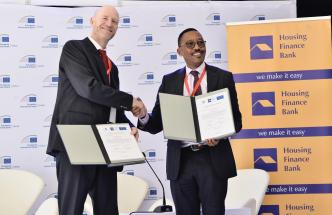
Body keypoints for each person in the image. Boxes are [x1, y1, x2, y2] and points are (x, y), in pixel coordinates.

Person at [133, 28, 242, 215]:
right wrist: (143, 115)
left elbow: (236, 121)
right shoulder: (170, 81)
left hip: (212, 158)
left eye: (201, 43)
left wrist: (221, 136)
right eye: (190, 44)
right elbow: (157, 123)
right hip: (181, 161)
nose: (197, 48)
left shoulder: (223, 77)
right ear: (179, 51)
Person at [47, 6, 144, 215]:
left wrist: (128, 127)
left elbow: (112, 109)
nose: (109, 24)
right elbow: (88, 88)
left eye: (115, 21)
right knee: (71, 210)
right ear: (92, 21)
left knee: (108, 210)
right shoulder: (74, 48)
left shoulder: (112, 67)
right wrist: (130, 101)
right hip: (76, 144)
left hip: (106, 147)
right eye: (105, 18)